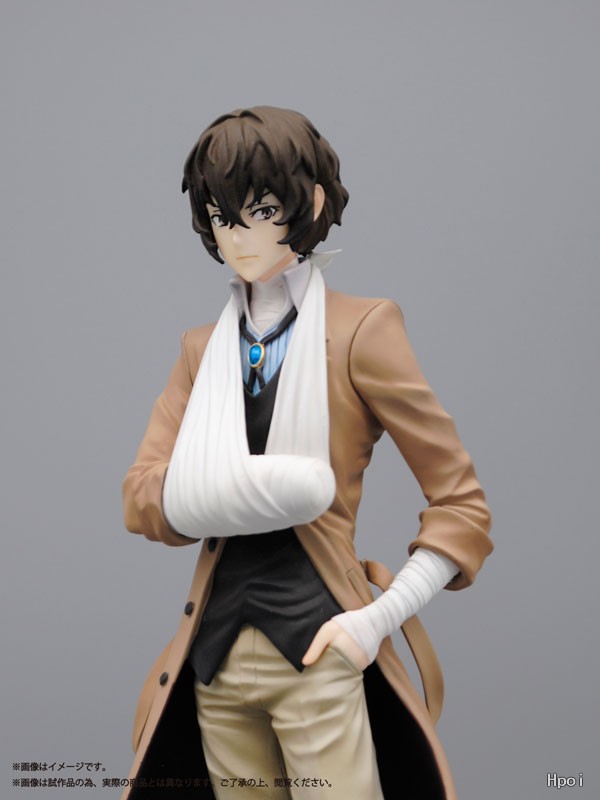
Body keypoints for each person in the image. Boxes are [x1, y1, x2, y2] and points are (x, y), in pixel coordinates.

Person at [121, 106, 493, 800]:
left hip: (320, 648)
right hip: (214, 659)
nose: (239, 235)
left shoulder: (360, 331)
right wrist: (227, 492)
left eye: (261, 211)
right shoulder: (202, 351)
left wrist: (375, 621)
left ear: (311, 204)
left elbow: (461, 507)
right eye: (222, 216)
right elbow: (142, 497)